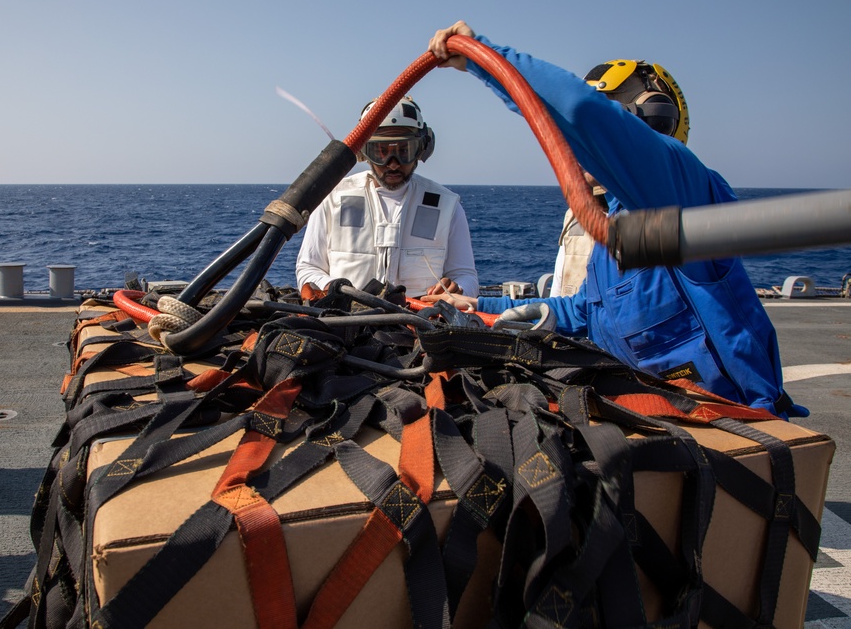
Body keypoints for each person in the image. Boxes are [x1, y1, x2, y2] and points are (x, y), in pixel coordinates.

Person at [424, 21, 807, 418]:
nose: (578, 146)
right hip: (653, 415)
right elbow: (588, 311)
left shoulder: (685, 194)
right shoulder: (614, 230)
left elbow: (581, 112)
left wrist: (485, 58)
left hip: (733, 420)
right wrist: (477, 304)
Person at [296, 96, 479, 298]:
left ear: (422, 148)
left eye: (404, 151)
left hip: (419, 322)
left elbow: (466, 276)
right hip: (344, 321)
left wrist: (457, 289)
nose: (393, 164)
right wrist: (335, 289)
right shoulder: (332, 198)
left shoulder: (446, 206)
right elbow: (308, 268)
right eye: (381, 152)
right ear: (363, 151)